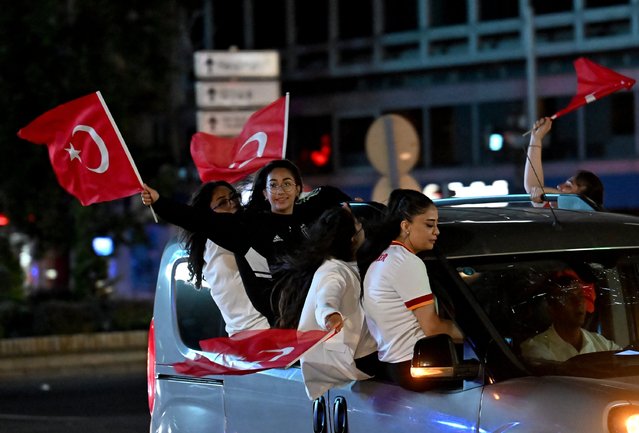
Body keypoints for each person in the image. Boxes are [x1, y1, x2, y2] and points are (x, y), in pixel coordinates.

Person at [141, 159, 352, 321]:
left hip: (317, 305)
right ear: (264, 192)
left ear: (298, 189)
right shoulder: (247, 229)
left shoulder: (307, 215)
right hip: (282, 317)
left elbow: (326, 195)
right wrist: (159, 202)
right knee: (332, 269)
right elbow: (199, 220)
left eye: (287, 184)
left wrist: (354, 205)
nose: (280, 191)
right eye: (274, 185)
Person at [359, 189, 463, 391]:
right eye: (429, 225)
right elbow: (432, 328)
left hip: (396, 366)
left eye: (436, 225)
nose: (437, 232)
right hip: (417, 368)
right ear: (406, 226)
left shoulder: (383, 258)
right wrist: (480, 337)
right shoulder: (407, 262)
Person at [275, 205, 379, 400]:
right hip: (359, 357)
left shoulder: (346, 264)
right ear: (352, 239)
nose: (362, 228)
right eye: (359, 225)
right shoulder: (333, 271)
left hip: (360, 350)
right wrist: (330, 316)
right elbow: (325, 300)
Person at [181, 181, 270, 336]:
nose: (233, 205)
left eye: (234, 198)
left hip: (243, 338)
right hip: (261, 336)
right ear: (207, 214)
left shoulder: (208, 248)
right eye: (222, 203)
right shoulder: (221, 243)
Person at [520, 271, 621, 362]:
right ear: (552, 309)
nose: (578, 303)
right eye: (568, 298)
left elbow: (627, 360)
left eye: (581, 296)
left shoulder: (601, 344)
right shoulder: (536, 348)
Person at [524, 117, 604, 208]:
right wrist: (536, 138)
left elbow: (577, 201)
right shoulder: (552, 210)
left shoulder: (585, 218)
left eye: (569, 186)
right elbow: (533, 188)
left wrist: (548, 191)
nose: (559, 186)